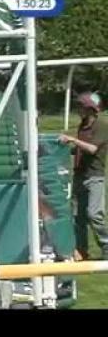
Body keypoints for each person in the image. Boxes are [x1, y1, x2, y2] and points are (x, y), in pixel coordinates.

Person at [59, 92, 108, 261]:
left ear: (90, 109)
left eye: (81, 107)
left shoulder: (102, 126)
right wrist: (63, 147)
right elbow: (80, 149)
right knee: (77, 216)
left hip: (95, 176)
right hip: (79, 175)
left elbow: (92, 149)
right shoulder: (83, 126)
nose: (78, 110)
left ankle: (106, 245)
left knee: (94, 214)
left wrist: (73, 140)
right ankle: (81, 250)